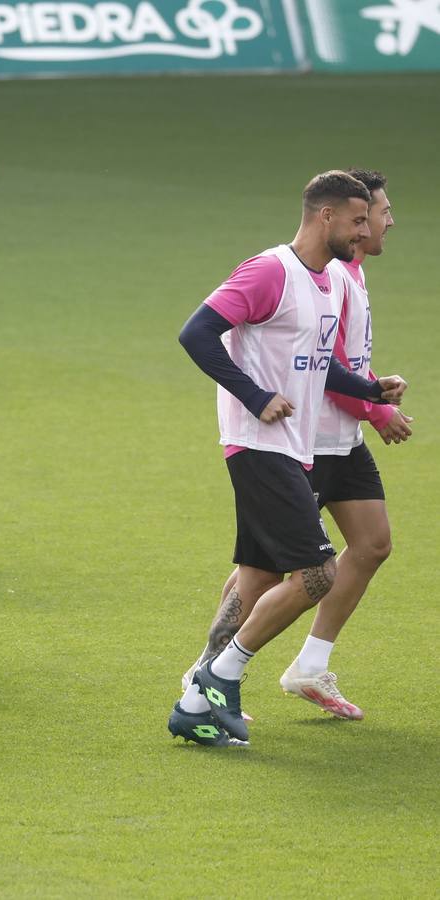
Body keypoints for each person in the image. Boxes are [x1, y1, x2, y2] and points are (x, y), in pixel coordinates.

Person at [167, 170, 406, 746]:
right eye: (358, 219)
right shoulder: (270, 270)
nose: (367, 228)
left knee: (258, 574)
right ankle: (220, 675)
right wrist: (254, 397)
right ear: (326, 216)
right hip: (257, 444)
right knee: (319, 572)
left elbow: (317, 362)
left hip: (292, 448)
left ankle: (194, 705)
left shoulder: (325, 281)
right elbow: (196, 333)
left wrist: (371, 392)